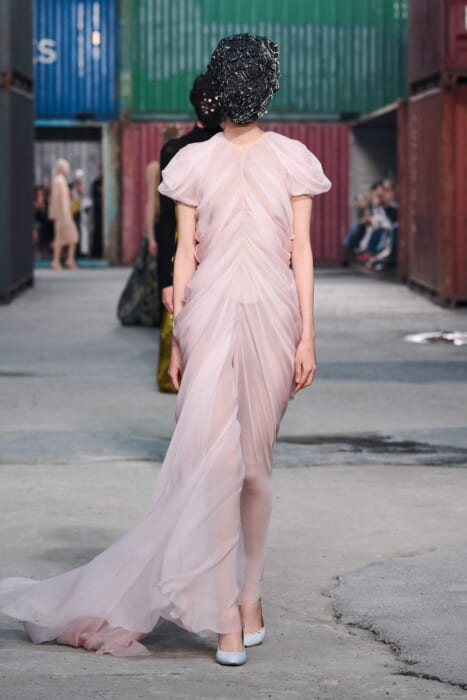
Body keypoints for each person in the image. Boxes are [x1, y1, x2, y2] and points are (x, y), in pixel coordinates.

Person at [0, 34, 331, 666]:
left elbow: (302, 253)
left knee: (254, 466)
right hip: (207, 317)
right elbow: (183, 255)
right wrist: (178, 338)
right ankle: (226, 615)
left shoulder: (293, 160)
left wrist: (308, 334)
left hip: (273, 317)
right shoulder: (193, 162)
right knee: (217, 466)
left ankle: (251, 597)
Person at [156, 72, 223, 393]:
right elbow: (166, 222)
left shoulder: (176, 149)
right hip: (206, 254)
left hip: (204, 255)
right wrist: (166, 281)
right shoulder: (230, 149)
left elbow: (165, 223)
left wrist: (166, 280)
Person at [48, 159, 79, 271]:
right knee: (69, 237)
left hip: (63, 215)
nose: (68, 169)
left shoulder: (60, 180)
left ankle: (65, 260)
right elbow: (57, 200)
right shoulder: (59, 181)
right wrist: (61, 216)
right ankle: (60, 261)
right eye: (66, 166)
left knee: (64, 239)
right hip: (63, 216)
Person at [91, 165, 103, 258]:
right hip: (97, 211)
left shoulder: (104, 183)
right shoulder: (95, 183)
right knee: (97, 231)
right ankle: (95, 254)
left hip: (103, 212)